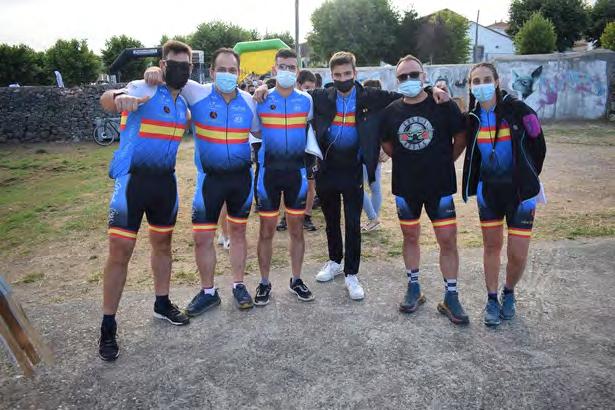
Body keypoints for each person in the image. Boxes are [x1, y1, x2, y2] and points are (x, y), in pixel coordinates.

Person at [254, 51, 449, 301]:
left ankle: (351, 273)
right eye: (337, 75)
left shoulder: (370, 96)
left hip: (353, 167)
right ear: (331, 76)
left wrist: (431, 88)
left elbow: (404, 95)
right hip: (327, 168)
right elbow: (289, 91)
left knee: (353, 222)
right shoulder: (321, 96)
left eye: (347, 73)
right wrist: (263, 86)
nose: (342, 78)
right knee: (331, 220)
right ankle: (335, 261)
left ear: (355, 73)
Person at [144, 47, 261, 314]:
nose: (227, 74)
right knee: (201, 238)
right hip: (209, 180)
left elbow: (259, 130)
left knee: (238, 233)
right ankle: (208, 292)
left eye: (232, 70)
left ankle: (239, 285)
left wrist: (264, 91)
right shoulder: (196, 92)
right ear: (211, 72)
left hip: (241, 179)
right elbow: (169, 77)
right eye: (222, 70)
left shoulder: (249, 100)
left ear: (239, 72)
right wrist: (153, 70)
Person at [97, 40, 192, 361]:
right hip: (132, 183)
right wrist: (118, 97)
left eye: (186, 66)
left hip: (165, 185)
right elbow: (107, 100)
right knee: (120, 252)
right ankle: (108, 325)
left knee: (163, 245)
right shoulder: (144, 87)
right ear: (163, 65)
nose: (181, 70)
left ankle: (162, 303)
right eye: (174, 64)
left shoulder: (184, 103)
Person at [381, 55, 468, 325]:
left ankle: (451, 296)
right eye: (403, 77)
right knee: (410, 237)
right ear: (397, 80)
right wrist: (407, 161)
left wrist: (446, 161)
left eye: (413, 75)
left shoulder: (443, 104)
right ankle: (413, 288)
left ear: (424, 76)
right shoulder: (391, 111)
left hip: (439, 186)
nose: (408, 80)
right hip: (406, 187)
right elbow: (386, 144)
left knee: (447, 240)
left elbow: (461, 137)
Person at [462, 62, 546, 327]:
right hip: (489, 192)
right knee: (491, 247)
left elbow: (539, 145)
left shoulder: (519, 110)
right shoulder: (472, 118)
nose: (482, 85)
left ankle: (509, 292)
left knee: (518, 254)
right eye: (476, 81)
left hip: (520, 194)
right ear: (471, 86)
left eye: (486, 79)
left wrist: (528, 176)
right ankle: (491, 299)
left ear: (497, 82)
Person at [252, 49, 315, 306]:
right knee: (266, 230)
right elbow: (256, 131)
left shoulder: (307, 100)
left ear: (297, 71)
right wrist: (261, 89)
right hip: (268, 173)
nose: (287, 71)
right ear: (274, 69)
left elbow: (310, 127)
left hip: (296, 175)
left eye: (291, 67)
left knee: (296, 230)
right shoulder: (262, 99)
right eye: (282, 66)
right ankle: (264, 282)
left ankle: (296, 279)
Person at [276, 69, 319, 233]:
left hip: (309, 150)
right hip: (289, 149)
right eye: (307, 87)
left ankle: (307, 216)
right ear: (298, 84)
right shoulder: (286, 99)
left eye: (313, 88)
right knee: (285, 184)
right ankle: (286, 216)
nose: (310, 92)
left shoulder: (313, 101)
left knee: (310, 183)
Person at [360, 79, 387, 232]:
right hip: (375, 153)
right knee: (374, 187)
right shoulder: (384, 110)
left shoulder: (368, 111)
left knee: (359, 186)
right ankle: (373, 219)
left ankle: (372, 218)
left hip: (367, 153)